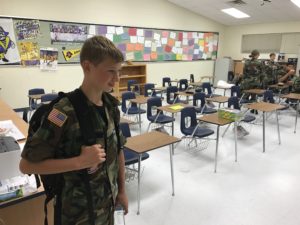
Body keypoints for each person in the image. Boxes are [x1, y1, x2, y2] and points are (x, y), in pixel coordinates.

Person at [19, 36, 128, 225]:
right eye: (111, 71)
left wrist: (123, 191)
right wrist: (80, 162)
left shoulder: (111, 106)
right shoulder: (62, 113)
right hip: (76, 216)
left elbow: (118, 149)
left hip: (107, 208)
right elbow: (27, 165)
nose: (116, 79)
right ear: (87, 66)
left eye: (119, 71)